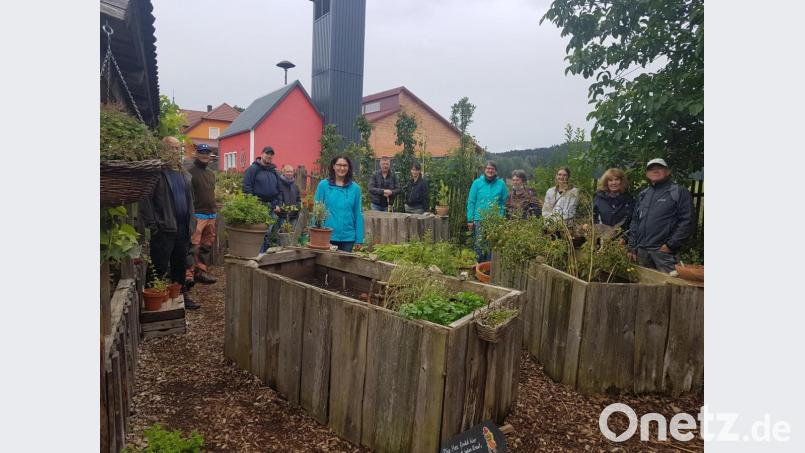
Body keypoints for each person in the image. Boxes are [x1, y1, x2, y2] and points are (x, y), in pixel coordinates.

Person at [139, 137, 200, 309]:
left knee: (180, 265)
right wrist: (153, 224)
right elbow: (145, 200)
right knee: (158, 266)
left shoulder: (183, 173)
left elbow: (190, 201)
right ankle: (153, 302)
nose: (175, 152)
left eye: (177, 148)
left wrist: (192, 222)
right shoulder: (156, 173)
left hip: (183, 228)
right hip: (164, 229)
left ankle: (180, 296)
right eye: (171, 148)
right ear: (163, 150)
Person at [627, 158, 693, 274]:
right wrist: (632, 246)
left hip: (664, 254)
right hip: (642, 252)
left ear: (668, 171)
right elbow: (635, 222)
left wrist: (670, 245)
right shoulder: (643, 194)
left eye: (659, 168)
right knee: (643, 284)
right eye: (651, 169)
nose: (655, 170)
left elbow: (687, 221)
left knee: (670, 284)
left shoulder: (678, 191)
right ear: (646, 174)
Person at [314, 155, 364, 252]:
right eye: (339, 165)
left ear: (348, 168)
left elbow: (358, 214)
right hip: (327, 235)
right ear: (333, 166)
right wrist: (315, 233)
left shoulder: (355, 189)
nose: (342, 168)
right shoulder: (323, 185)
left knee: (344, 261)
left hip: (348, 237)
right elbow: (317, 211)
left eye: (345, 165)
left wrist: (359, 239)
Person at [186, 143, 217, 285]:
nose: (205, 155)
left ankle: (201, 272)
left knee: (206, 246)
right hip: (197, 215)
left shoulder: (211, 173)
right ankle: (188, 274)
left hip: (211, 214)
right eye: (202, 152)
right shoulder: (189, 172)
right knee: (193, 246)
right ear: (197, 154)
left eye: (207, 153)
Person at [466, 160, 508, 263]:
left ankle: (489, 268)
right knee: (479, 244)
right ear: (484, 170)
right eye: (488, 168)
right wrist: (470, 219)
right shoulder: (477, 183)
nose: (490, 170)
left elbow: (504, 203)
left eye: (492, 169)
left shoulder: (501, 184)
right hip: (479, 219)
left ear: (496, 171)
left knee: (491, 245)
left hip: (494, 220)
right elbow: (471, 201)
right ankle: (478, 266)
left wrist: (500, 217)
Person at [243, 146, 282, 253]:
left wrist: (278, 204)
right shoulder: (253, 169)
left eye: (271, 154)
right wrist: (253, 203)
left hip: (272, 207)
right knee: (258, 233)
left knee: (268, 233)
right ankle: (257, 255)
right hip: (258, 206)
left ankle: (264, 255)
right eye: (267, 153)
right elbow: (247, 187)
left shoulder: (274, 171)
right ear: (261, 154)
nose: (269, 156)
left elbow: (279, 190)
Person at [275, 163, 302, 236]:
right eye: (287, 171)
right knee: (283, 235)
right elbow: (277, 198)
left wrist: (298, 207)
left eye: (291, 172)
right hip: (282, 215)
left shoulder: (295, 186)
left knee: (292, 235)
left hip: (293, 216)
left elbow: (298, 199)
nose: (289, 173)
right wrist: (280, 207)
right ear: (283, 172)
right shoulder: (279, 184)